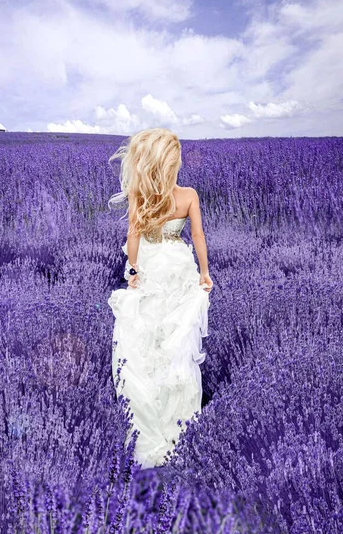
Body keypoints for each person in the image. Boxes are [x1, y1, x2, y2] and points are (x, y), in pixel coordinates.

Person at [107, 127, 213, 469]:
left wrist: (134, 270)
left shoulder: (143, 195)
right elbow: (197, 235)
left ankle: (147, 416)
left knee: (146, 337)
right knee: (176, 341)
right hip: (179, 268)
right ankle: (178, 418)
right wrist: (204, 273)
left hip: (153, 266)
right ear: (172, 162)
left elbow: (133, 235)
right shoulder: (188, 195)